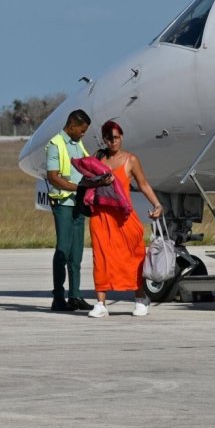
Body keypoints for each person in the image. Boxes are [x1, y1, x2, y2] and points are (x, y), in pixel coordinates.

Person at [87, 120, 163, 318]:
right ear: (103, 139)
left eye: (117, 138)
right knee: (101, 259)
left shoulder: (131, 159)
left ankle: (139, 299)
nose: (113, 142)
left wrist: (156, 204)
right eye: (110, 138)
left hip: (124, 218)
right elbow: (85, 181)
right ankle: (101, 303)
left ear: (121, 138)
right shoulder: (98, 159)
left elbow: (143, 184)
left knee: (134, 256)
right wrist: (98, 180)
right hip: (101, 217)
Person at [45, 109, 94, 312]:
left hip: (79, 203)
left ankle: (75, 295)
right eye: (81, 130)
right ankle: (58, 297)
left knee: (77, 253)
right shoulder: (56, 144)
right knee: (63, 249)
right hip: (64, 203)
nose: (83, 134)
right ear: (72, 126)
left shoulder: (78, 144)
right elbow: (53, 177)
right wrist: (78, 188)